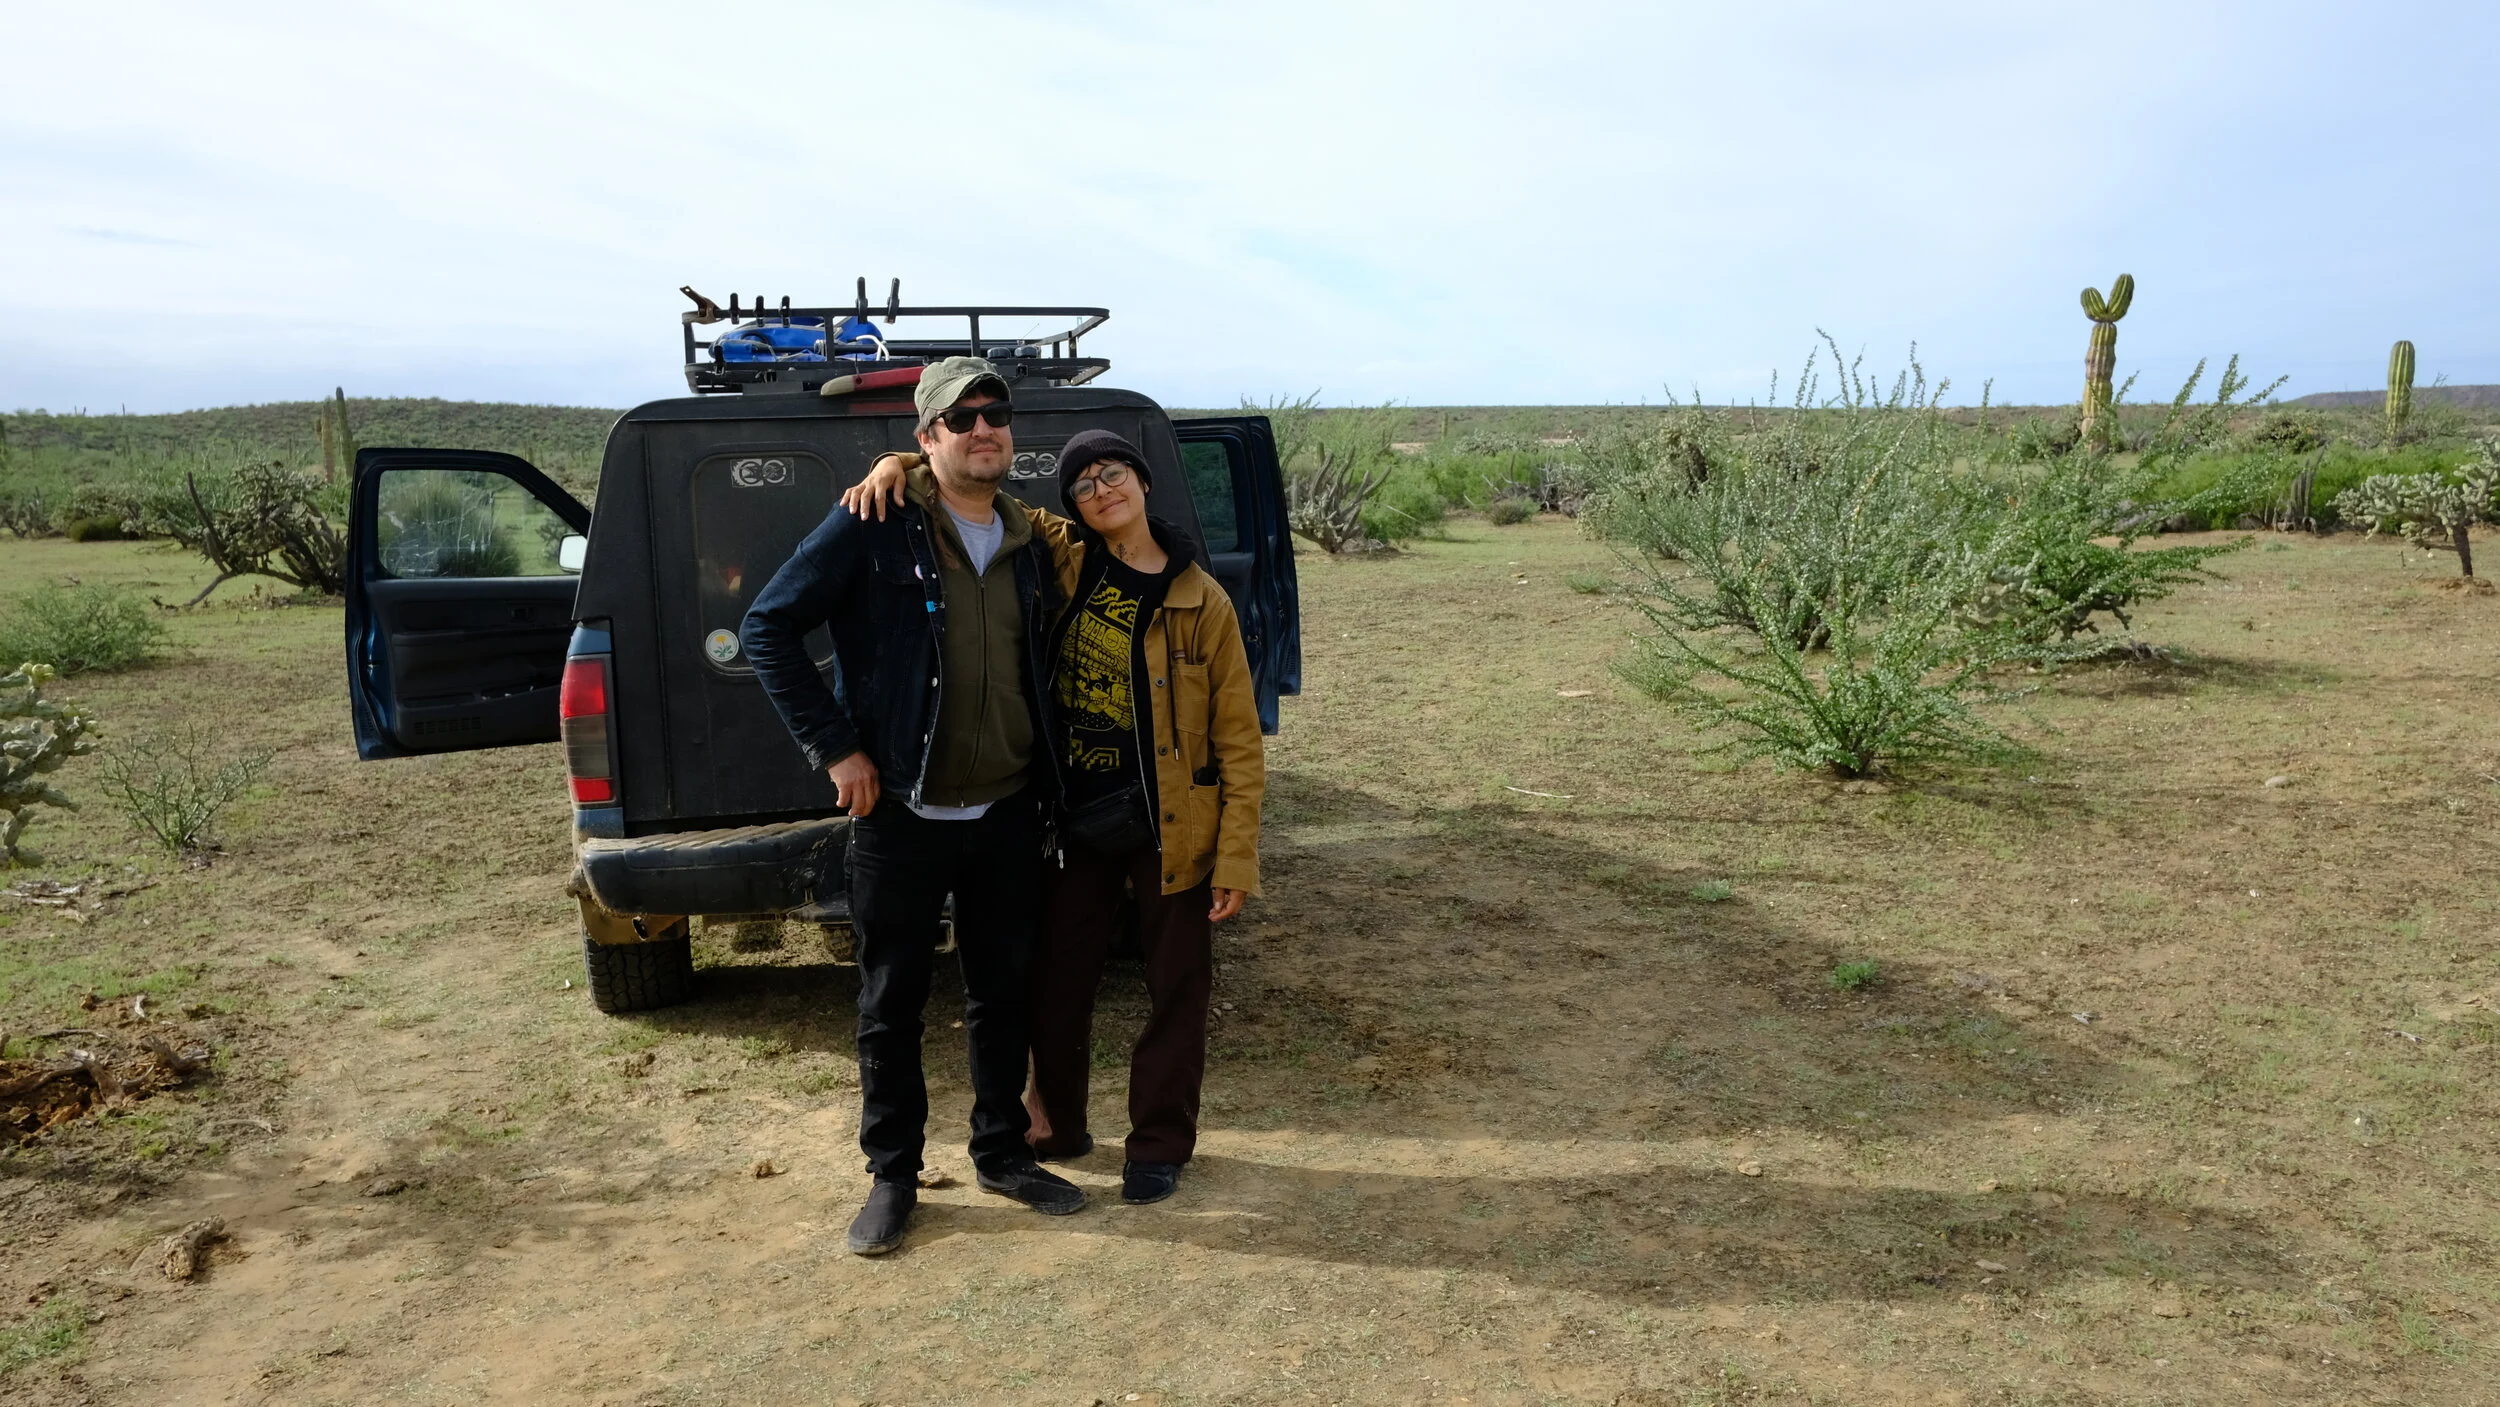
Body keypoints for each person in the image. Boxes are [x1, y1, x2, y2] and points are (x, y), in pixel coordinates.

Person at [841, 427, 1265, 1206]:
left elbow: (1238, 738)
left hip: (1174, 824)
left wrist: (1236, 855)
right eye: (1084, 485)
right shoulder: (1064, 554)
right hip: (1075, 819)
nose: (1102, 491)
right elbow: (974, 483)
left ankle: (1159, 1144)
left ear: (1142, 481)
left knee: (1177, 988)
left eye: (1113, 474)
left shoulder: (1201, 599)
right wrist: (895, 463)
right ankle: (1058, 1125)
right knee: (1054, 985)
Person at [742, 356, 1089, 1257]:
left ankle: (1001, 1153)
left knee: (1001, 994)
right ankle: (893, 1176)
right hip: (901, 812)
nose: (983, 429)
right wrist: (836, 746)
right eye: (959, 419)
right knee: (890, 1001)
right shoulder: (873, 522)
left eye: (995, 413)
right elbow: (766, 626)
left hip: (1008, 810)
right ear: (926, 436)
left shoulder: (1030, 538)